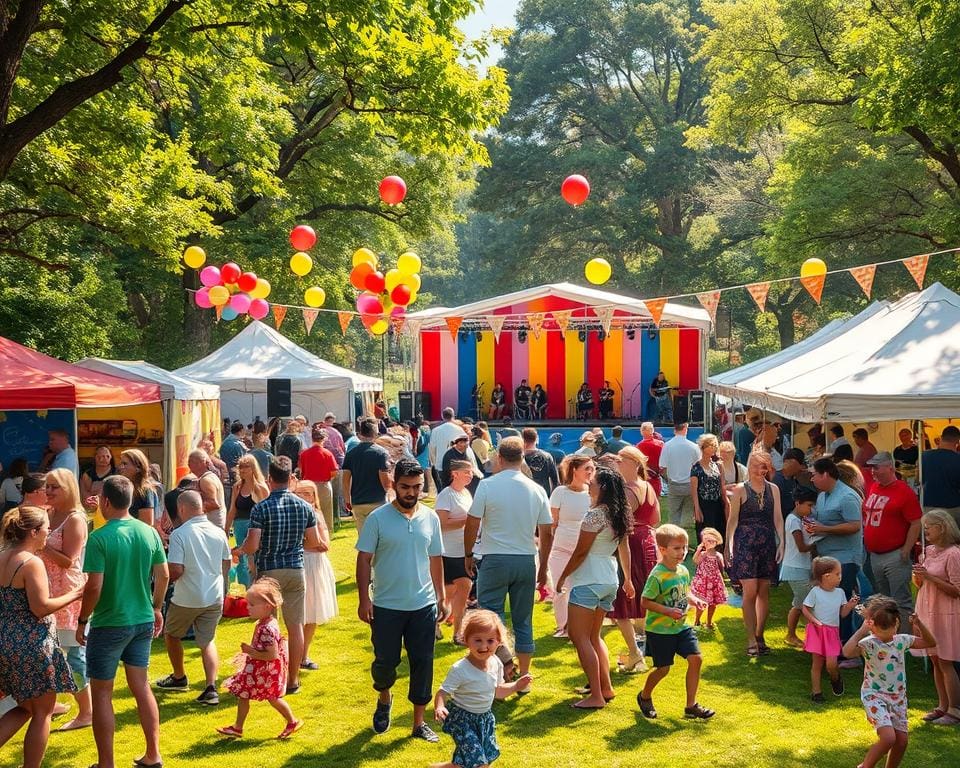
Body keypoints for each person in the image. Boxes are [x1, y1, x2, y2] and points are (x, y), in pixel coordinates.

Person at [77, 475, 168, 768]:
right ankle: (153, 754)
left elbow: (93, 587)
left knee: (102, 692)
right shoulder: (148, 531)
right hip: (142, 619)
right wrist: (156, 607)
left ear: (104, 501)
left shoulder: (99, 538)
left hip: (109, 623)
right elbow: (164, 575)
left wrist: (82, 619)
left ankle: (106, 763)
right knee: (141, 687)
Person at [356, 459, 446, 742]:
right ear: (394, 485)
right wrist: (363, 599)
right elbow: (364, 559)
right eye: (405, 487)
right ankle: (384, 697)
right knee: (385, 662)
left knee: (423, 662)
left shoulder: (430, 518)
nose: (411, 492)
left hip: (423, 605)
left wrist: (441, 597)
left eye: (417, 487)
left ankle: (418, 724)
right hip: (385, 605)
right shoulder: (378, 518)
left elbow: (436, 559)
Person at [463, 437, 553, 687]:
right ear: (522, 458)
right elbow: (546, 532)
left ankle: (498, 668)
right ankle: (523, 675)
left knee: (489, 617)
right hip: (525, 559)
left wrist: (468, 553)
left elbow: (472, 522)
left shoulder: (488, 485)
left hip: (495, 558)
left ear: (499, 459)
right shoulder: (537, 489)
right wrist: (543, 567)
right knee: (523, 619)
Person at [0, 506, 82, 768]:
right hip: (31, 645)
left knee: (25, 708)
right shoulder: (31, 562)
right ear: (34, 531)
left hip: (5, 641)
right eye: (46, 527)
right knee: (43, 712)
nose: (49, 531)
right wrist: (76, 593)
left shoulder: (2, 556)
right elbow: (40, 607)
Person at [233, 457, 320, 694]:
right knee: (295, 626)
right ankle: (292, 680)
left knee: (267, 627)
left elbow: (252, 545)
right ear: (290, 477)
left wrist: (239, 550)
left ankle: (268, 675)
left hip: (269, 571)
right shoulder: (305, 507)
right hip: (295, 569)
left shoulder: (260, 508)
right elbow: (314, 541)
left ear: (270, 479)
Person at [555, 466, 635, 709]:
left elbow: (580, 552)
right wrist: (628, 580)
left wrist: (561, 577)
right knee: (593, 636)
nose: (589, 483)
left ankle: (597, 695)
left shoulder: (595, 515)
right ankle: (606, 688)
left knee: (579, 638)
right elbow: (624, 549)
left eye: (594, 481)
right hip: (609, 579)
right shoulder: (617, 514)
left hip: (588, 579)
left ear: (603, 488)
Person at [155, 490, 230, 706]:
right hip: (214, 595)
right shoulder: (219, 532)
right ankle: (210, 687)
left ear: (181, 509)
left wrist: (164, 578)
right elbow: (226, 563)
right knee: (207, 641)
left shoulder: (180, 534)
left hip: (187, 596)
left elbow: (176, 570)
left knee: (171, 635)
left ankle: (179, 677)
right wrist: (223, 587)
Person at [842, 596, 935, 768]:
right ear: (872, 625)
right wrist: (862, 630)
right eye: (882, 627)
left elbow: (930, 642)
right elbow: (847, 652)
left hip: (898, 698)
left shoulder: (901, 641)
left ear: (897, 623)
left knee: (901, 741)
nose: (887, 631)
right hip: (874, 696)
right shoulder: (868, 644)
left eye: (891, 626)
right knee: (888, 738)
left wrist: (919, 624)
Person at [432, 610, 532, 768]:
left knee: (474, 760)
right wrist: (440, 706)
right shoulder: (460, 669)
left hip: (484, 719)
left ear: (498, 641)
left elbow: (498, 691)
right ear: (466, 640)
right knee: (479, 762)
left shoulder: (496, 663)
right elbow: (442, 691)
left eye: (490, 641)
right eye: (477, 640)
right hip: (462, 720)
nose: (484, 646)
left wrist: (516, 686)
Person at [637, 524, 714, 720]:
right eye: (677, 548)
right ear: (662, 550)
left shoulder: (682, 571)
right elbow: (645, 602)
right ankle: (644, 696)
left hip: (681, 628)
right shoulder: (657, 575)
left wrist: (694, 599)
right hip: (660, 631)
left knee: (696, 659)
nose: (682, 552)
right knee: (663, 669)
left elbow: (684, 591)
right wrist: (667, 611)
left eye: (685, 547)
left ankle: (691, 706)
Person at [217, 577, 303, 740]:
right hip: (257, 670)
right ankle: (237, 727)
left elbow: (272, 655)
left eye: (251, 604)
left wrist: (250, 651)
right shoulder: (266, 622)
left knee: (273, 698)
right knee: (243, 694)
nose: (247, 607)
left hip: (266, 672)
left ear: (267, 606)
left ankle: (292, 721)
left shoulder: (267, 629)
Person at [38, 469, 91, 731]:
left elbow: (69, 560)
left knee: (73, 656)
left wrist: (41, 545)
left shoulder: (75, 519)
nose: (47, 492)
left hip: (68, 594)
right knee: (48, 651)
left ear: (69, 488)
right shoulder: (47, 514)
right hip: (45, 592)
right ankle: (53, 703)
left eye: (54, 487)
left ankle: (87, 711)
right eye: (46, 487)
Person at [726, 451, 784, 657]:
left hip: (766, 542)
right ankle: (751, 638)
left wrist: (782, 542)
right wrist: (729, 545)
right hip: (746, 544)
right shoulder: (741, 489)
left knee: (763, 591)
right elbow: (732, 520)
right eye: (757, 466)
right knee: (749, 591)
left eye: (764, 467)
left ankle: (760, 635)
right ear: (749, 467)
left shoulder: (773, 489)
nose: (760, 471)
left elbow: (778, 518)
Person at [608, 446, 660, 672]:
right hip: (648, 540)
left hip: (631, 544)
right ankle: (646, 648)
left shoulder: (628, 490)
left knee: (621, 601)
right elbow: (656, 518)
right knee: (644, 597)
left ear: (634, 463)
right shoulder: (647, 486)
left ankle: (635, 653)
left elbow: (619, 523)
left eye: (621, 461)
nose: (617, 465)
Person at [807, 457, 864, 654]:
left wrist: (823, 528)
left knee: (842, 604)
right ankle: (830, 645)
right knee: (828, 605)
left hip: (846, 560)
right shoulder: (822, 496)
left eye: (814, 475)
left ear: (825, 474)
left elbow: (855, 525)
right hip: (827, 557)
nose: (812, 479)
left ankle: (846, 649)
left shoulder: (847, 496)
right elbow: (822, 522)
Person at [861, 452, 922, 630]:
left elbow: (915, 521)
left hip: (895, 554)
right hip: (875, 554)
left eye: (877, 467)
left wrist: (906, 549)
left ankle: (904, 639)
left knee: (900, 600)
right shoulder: (874, 487)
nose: (873, 471)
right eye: (872, 467)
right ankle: (887, 636)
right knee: (883, 600)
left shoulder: (903, 491)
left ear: (890, 467)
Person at [912, 509, 960, 724]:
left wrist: (929, 576)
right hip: (927, 609)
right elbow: (920, 584)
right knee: (934, 659)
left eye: (929, 526)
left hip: (946, 613)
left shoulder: (954, 554)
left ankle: (955, 710)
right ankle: (942, 705)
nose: (926, 530)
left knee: (945, 661)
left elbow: (957, 589)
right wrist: (919, 576)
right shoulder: (928, 551)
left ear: (941, 527)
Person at [291, 480, 337, 672]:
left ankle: (303, 655)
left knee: (313, 612)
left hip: (315, 565)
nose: (303, 496)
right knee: (298, 614)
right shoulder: (292, 514)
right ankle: (294, 655)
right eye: (300, 492)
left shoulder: (316, 514)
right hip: (300, 564)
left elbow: (324, 544)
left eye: (307, 493)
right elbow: (308, 543)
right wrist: (309, 543)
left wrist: (306, 543)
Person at [548, 456, 594, 638]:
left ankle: (581, 626)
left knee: (581, 587)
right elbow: (553, 522)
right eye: (586, 468)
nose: (590, 472)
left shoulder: (593, 492)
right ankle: (563, 626)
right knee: (560, 587)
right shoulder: (560, 492)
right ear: (574, 470)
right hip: (561, 547)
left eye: (592, 469)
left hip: (584, 549)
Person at [802, 556, 859, 701]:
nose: (840, 577)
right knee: (817, 663)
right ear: (826, 576)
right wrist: (815, 622)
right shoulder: (815, 592)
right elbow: (805, 609)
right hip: (817, 631)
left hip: (832, 632)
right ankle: (816, 692)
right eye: (837, 574)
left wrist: (850, 605)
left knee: (831, 664)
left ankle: (835, 678)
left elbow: (843, 613)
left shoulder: (839, 593)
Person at [435, 460, 475, 643]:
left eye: (471, 472)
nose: (470, 475)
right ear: (455, 473)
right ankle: (440, 625)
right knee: (455, 589)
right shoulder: (446, 495)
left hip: (465, 549)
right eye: (467, 472)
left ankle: (456, 631)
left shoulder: (466, 493)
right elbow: (440, 523)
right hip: (448, 551)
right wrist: (465, 522)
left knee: (459, 589)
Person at [782, 486, 818, 648]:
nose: (811, 509)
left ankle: (792, 635)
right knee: (804, 605)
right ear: (798, 503)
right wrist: (818, 540)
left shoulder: (799, 519)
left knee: (799, 604)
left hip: (800, 568)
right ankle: (795, 635)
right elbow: (802, 547)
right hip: (796, 569)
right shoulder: (793, 521)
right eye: (809, 505)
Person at [225, 455, 270, 588]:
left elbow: (267, 511)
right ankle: (246, 588)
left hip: (256, 527)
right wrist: (226, 529)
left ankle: (258, 585)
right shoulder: (237, 487)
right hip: (239, 525)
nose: (243, 470)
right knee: (241, 558)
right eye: (241, 467)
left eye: (246, 467)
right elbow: (233, 509)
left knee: (256, 556)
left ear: (253, 468)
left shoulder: (261, 488)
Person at [342, 418, 392, 535]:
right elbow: (385, 481)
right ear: (375, 434)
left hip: (358, 501)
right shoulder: (381, 453)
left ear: (359, 434)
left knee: (364, 537)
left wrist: (347, 499)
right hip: (378, 500)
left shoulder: (350, 454)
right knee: (380, 536)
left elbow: (345, 480)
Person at [298, 425, 339, 532]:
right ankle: (326, 532)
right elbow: (334, 471)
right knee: (325, 512)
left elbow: (302, 470)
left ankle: (310, 532)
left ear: (312, 438)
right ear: (324, 439)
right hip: (323, 484)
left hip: (308, 485)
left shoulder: (304, 454)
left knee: (309, 511)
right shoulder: (327, 453)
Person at [661, 422, 701, 527]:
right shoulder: (694, 447)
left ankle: (675, 538)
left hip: (674, 484)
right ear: (686, 429)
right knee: (687, 515)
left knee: (673, 515)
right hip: (690, 484)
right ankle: (684, 538)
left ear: (674, 430)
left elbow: (662, 467)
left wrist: (668, 479)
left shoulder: (667, 446)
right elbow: (699, 466)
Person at [691, 433, 726, 542]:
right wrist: (697, 509)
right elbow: (694, 490)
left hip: (718, 504)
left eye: (715, 445)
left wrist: (726, 502)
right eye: (711, 445)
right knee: (706, 535)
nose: (714, 447)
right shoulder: (696, 467)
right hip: (704, 505)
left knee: (720, 534)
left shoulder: (718, 465)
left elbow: (722, 486)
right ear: (703, 447)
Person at [921, 425, 960, 523]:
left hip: (928, 506)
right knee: (951, 537)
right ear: (957, 441)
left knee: (930, 536)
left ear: (941, 438)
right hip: (952, 508)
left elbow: (919, 479)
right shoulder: (958, 459)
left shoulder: (924, 456)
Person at [690, 528, 727, 629]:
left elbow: (721, 567)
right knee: (701, 603)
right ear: (703, 542)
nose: (709, 543)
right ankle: (697, 620)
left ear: (716, 541)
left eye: (712, 541)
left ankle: (709, 622)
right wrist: (698, 550)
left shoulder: (718, 555)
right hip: (703, 582)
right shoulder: (703, 554)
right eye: (707, 541)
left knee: (713, 604)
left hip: (714, 582)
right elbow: (695, 561)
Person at [187, 449, 227, 530]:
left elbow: (213, 504)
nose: (188, 464)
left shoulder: (205, 480)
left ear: (200, 463)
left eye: (191, 461)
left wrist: (192, 510)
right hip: (214, 525)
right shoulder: (210, 477)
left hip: (212, 526)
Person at [521, 428, 560, 497]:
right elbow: (555, 481)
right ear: (536, 439)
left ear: (522, 440)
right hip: (543, 495)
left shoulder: (518, 458)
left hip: (524, 496)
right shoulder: (547, 456)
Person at [772, 448, 809, 519]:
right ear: (792, 461)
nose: (801, 467)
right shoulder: (776, 480)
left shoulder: (794, 479)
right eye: (801, 463)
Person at [636, 422, 664, 495]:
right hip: (656, 477)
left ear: (642, 432)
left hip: (643, 479)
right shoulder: (661, 444)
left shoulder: (639, 446)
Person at [218, 421, 248, 491]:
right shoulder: (238, 444)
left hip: (225, 475)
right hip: (237, 475)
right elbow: (244, 460)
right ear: (240, 431)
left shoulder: (224, 442)